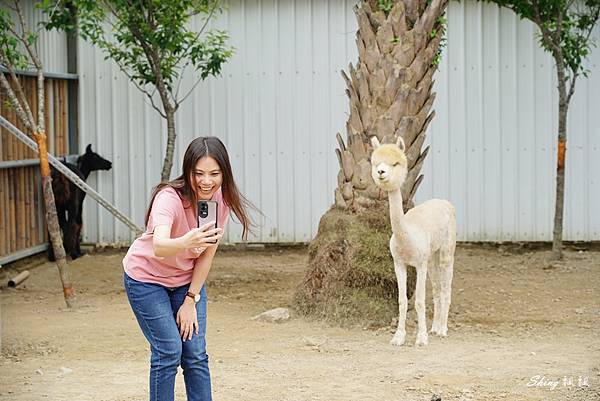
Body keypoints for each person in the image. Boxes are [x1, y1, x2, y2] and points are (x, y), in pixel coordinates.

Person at [123, 136, 253, 401]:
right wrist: (186, 241)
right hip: (146, 279)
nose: (207, 181)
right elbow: (159, 245)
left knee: (194, 353)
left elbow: (207, 255)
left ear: (224, 173)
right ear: (188, 172)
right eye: (199, 174)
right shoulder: (168, 198)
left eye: (215, 174)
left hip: (185, 281)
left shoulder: (219, 201)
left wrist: (190, 299)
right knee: (169, 350)